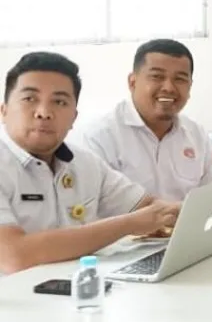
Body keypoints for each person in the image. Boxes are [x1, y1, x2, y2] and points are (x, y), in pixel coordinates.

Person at [0, 52, 179, 274]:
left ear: (74, 117)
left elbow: (149, 208)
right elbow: (13, 256)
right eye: (30, 99)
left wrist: (195, 212)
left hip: (77, 292)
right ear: (3, 111)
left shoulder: (85, 163)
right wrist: (130, 224)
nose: (44, 113)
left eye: (59, 101)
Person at [75, 39, 212, 202]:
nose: (169, 87)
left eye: (179, 79)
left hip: (187, 228)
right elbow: (93, 209)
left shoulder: (197, 135)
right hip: (125, 228)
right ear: (132, 82)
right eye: (157, 76)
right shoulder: (99, 137)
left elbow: (210, 201)